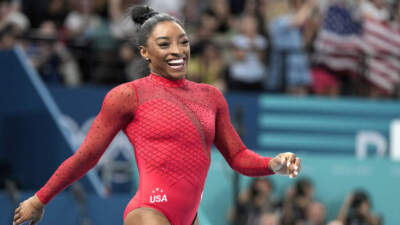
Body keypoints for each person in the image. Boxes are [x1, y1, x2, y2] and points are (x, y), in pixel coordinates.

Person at [13, 5, 301, 225]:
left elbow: (238, 157)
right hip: (148, 211)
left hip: (190, 218)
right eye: (164, 44)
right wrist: (41, 199)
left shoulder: (211, 96)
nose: (178, 51)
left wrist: (273, 164)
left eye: (183, 42)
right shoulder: (127, 96)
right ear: (144, 52)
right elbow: (86, 156)